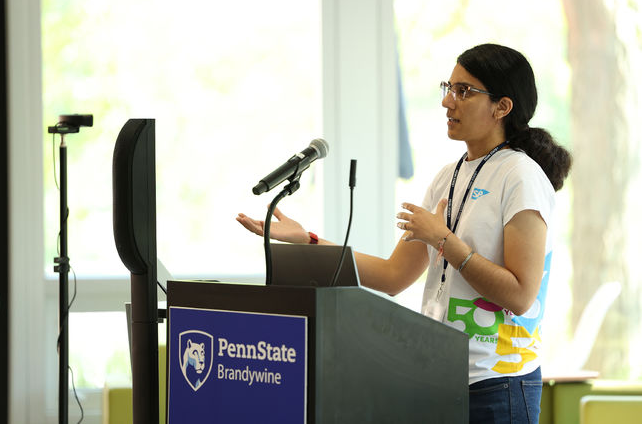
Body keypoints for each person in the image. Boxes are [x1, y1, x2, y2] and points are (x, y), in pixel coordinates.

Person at [236, 43, 571, 424]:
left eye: (463, 91)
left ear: (502, 107)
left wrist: (443, 240)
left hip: (498, 383)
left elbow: (521, 295)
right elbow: (392, 276)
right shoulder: (449, 175)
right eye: (449, 86)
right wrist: (310, 241)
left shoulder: (521, 176)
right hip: (439, 375)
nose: (447, 101)